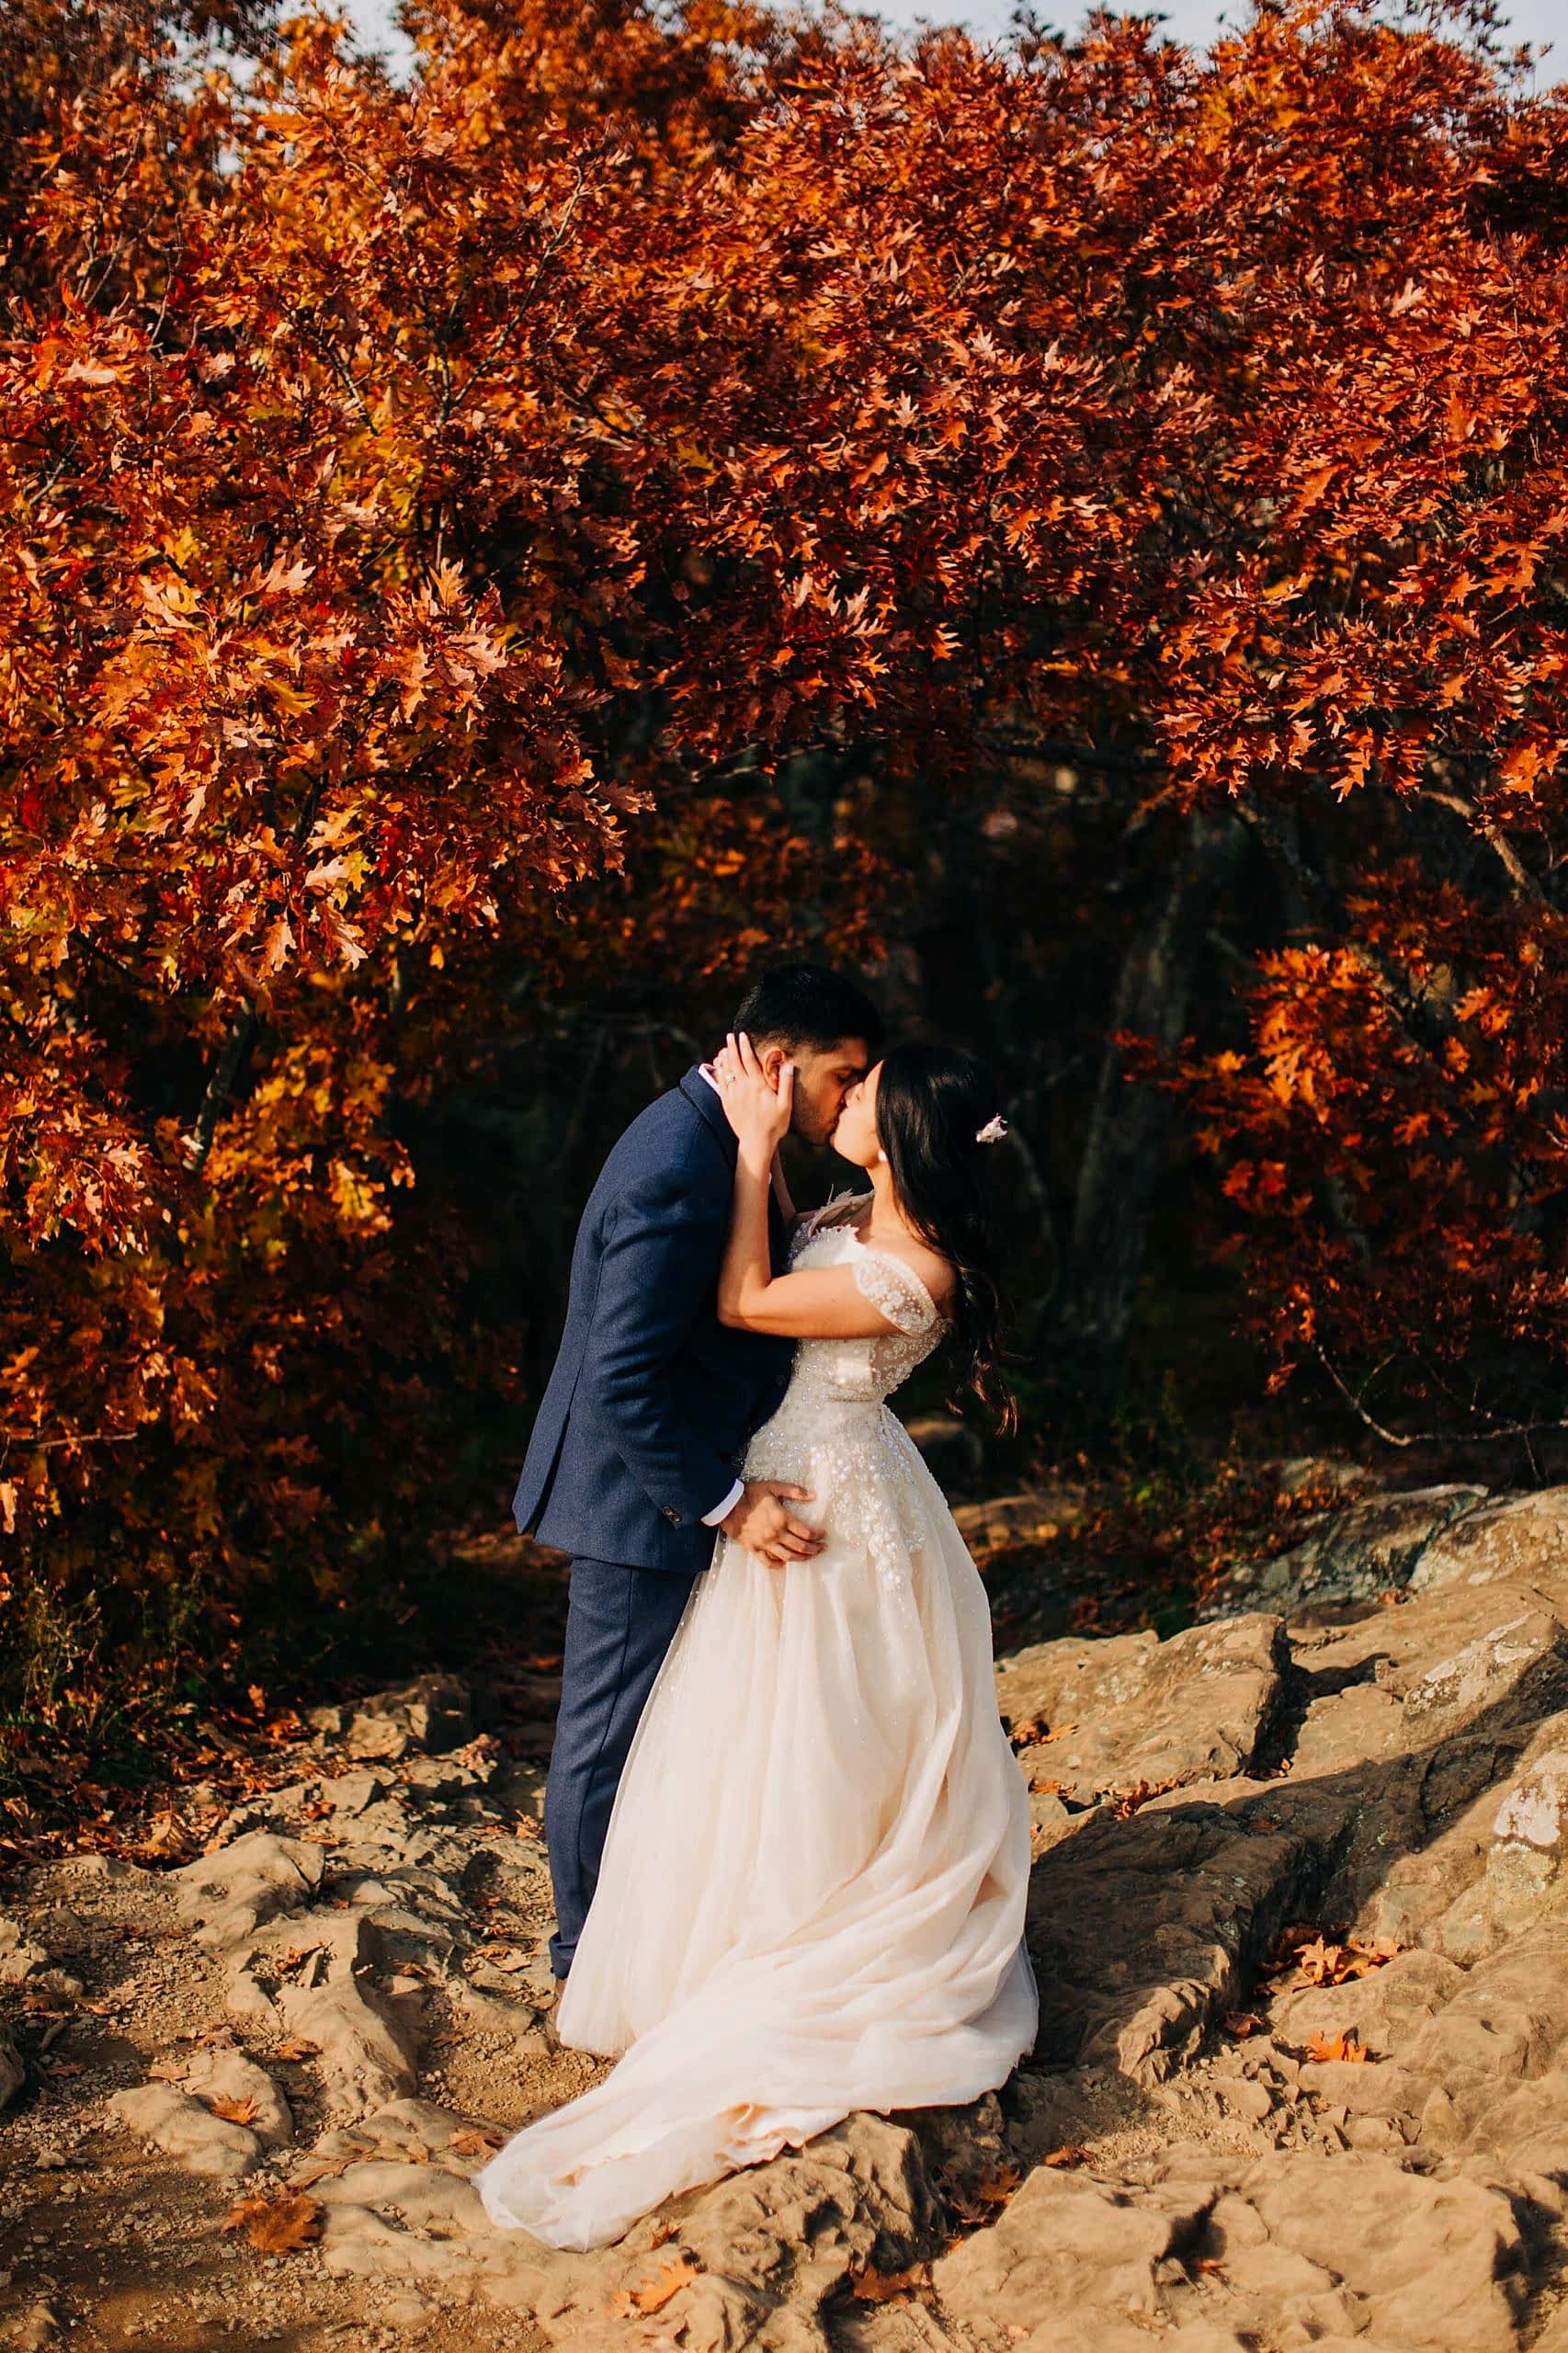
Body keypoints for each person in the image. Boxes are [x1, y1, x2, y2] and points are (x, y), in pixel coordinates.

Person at [477, 1025, 1039, 2251]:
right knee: (741, 1731)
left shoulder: (913, 1272)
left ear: (899, 1138)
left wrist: (741, 1153)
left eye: (864, 1093)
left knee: (811, 1733)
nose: (841, 1097)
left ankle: (794, 1937)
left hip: (827, 1505)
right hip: (785, 1484)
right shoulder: (852, 1207)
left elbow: (743, 1298)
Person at [509, 965, 883, 2003]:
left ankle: (645, 1936)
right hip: (644, 1499)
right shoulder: (679, 1160)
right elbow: (620, 1379)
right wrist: (727, 1501)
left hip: (677, 1484)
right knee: (604, 1739)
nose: (846, 1101)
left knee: (666, 1727)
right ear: (775, 1063)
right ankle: (582, 1963)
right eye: (838, 1078)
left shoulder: (721, 1137)